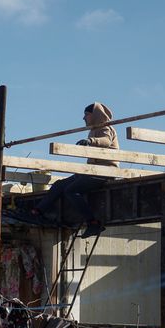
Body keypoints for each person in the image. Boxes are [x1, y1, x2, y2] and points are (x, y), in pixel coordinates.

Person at [31, 102, 118, 238]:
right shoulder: (93, 129)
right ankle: (37, 212)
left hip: (104, 172)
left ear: (94, 115)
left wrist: (90, 141)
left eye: (86, 115)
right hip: (92, 171)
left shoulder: (105, 128)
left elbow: (106, 141)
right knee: (59, 185)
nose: (84, 118)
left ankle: (93, 223)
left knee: (71, 190)